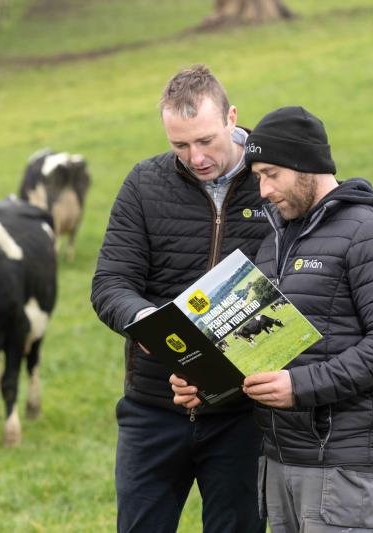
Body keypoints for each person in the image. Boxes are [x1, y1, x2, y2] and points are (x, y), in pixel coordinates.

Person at [172, 106, 373, 532]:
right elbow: (267, 346)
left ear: (306, 165)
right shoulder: (275, 241)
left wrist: (299, 387)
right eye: (258, 178)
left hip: (342, 461)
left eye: (272, 174)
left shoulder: (372, 231)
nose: (264, 190)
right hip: (278, 457)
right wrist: (208, 385)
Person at [91, 65, 270, 533]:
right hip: (153, 410)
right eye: (180, 145)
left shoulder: (273, 181)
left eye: (206, 140)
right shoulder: (144, 184)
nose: (195, 157)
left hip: (243, 416)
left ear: (233, 117)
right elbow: (110, 283)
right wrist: (148, 322)